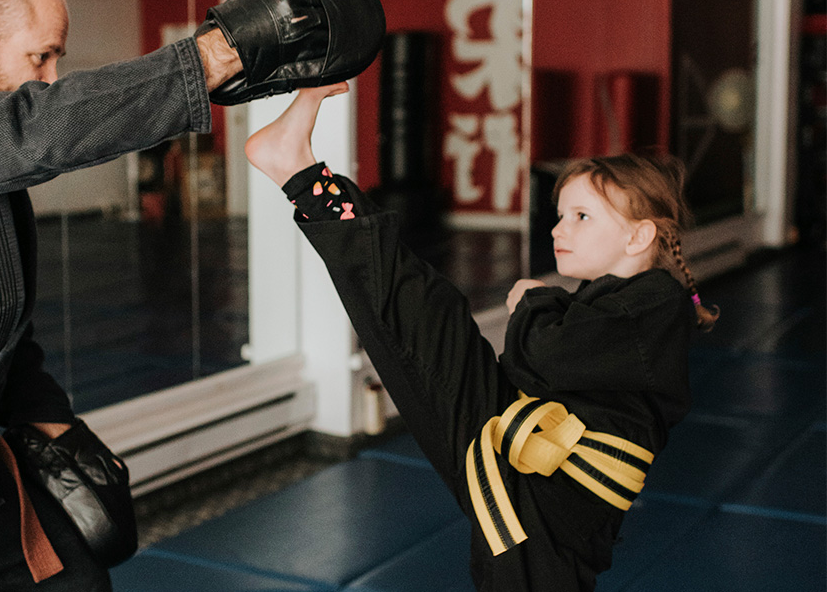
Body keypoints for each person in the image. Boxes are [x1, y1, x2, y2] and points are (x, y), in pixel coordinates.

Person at [0, 0, 383, 592]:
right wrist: (218, 55)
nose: (50, 77)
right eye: (41, 57)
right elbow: (36, 131)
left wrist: (54, 423)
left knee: (80, 579)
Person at [245, 83, 719, 592]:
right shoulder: (625, 302)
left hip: (544, 503)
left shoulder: (654, 302)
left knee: (427, 328)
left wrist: (535, 304)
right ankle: (304, 178)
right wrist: (549, 303)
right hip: (533, 469)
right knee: (430, 321)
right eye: (559, 215)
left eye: (582, 217)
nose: (560, 230)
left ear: (639, 236)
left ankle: (301, 176)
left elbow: (547, 355)